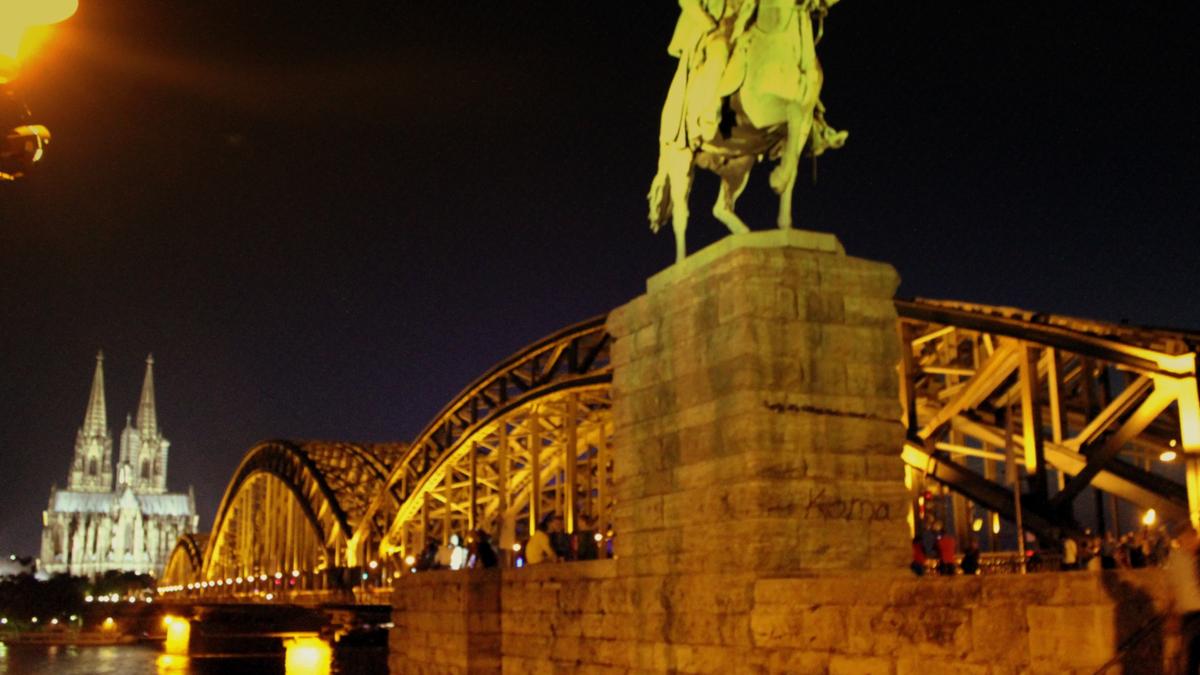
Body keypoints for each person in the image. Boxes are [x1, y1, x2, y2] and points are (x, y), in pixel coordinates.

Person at [1166, 527, 1200, 673]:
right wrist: (1172, 614)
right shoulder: (1177, 558)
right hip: (1189, 614)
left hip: (1194, 613)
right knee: (1190, 658)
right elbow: (1173, 587)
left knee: (1190, 657)